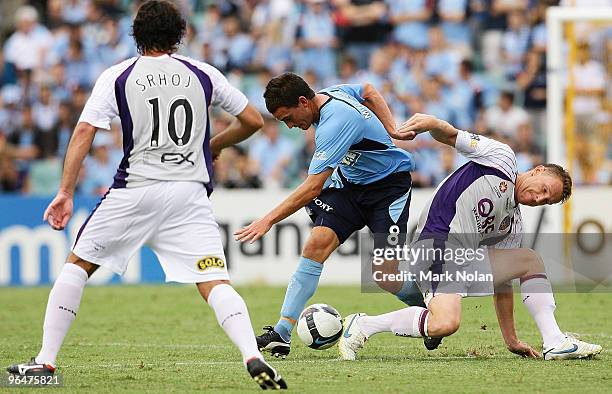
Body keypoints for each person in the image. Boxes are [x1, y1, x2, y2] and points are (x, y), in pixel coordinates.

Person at [6, 1, 287, 390]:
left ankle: (45, 364)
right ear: (179, 35)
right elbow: (253, 120)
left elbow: (85, 130)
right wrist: (212, 146)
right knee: (214, 282)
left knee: (78, 264)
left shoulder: (118, 75)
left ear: (136, 35)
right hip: (189, 195)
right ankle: (251, 354)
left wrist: (66, 191)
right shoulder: (202, 73)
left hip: (135, 189)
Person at [339, 113, 602, 361]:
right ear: (537, 170)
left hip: (462, 259)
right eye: (544, 188)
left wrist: (511, 339)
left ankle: (554, 341)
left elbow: (503, 285)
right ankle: (363, 325)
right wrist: (432, 123)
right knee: (446, 323)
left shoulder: (513, 223)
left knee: (528, 260)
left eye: (546, 200)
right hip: (435, 244)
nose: (539, 198)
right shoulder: (502, 158)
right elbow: (452, 137)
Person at [235, 72, 422, 358]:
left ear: (303, 102)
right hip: (351, 187)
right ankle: (282, 333)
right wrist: (391, 127)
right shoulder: (331, 92)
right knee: (315, 244)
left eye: (288, 118)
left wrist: (267, 220)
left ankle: (427, 310)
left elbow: (312, 188)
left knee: (385, 276)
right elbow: (369, 89)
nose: (291, 126)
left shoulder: (336, 121)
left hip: (388, 191)